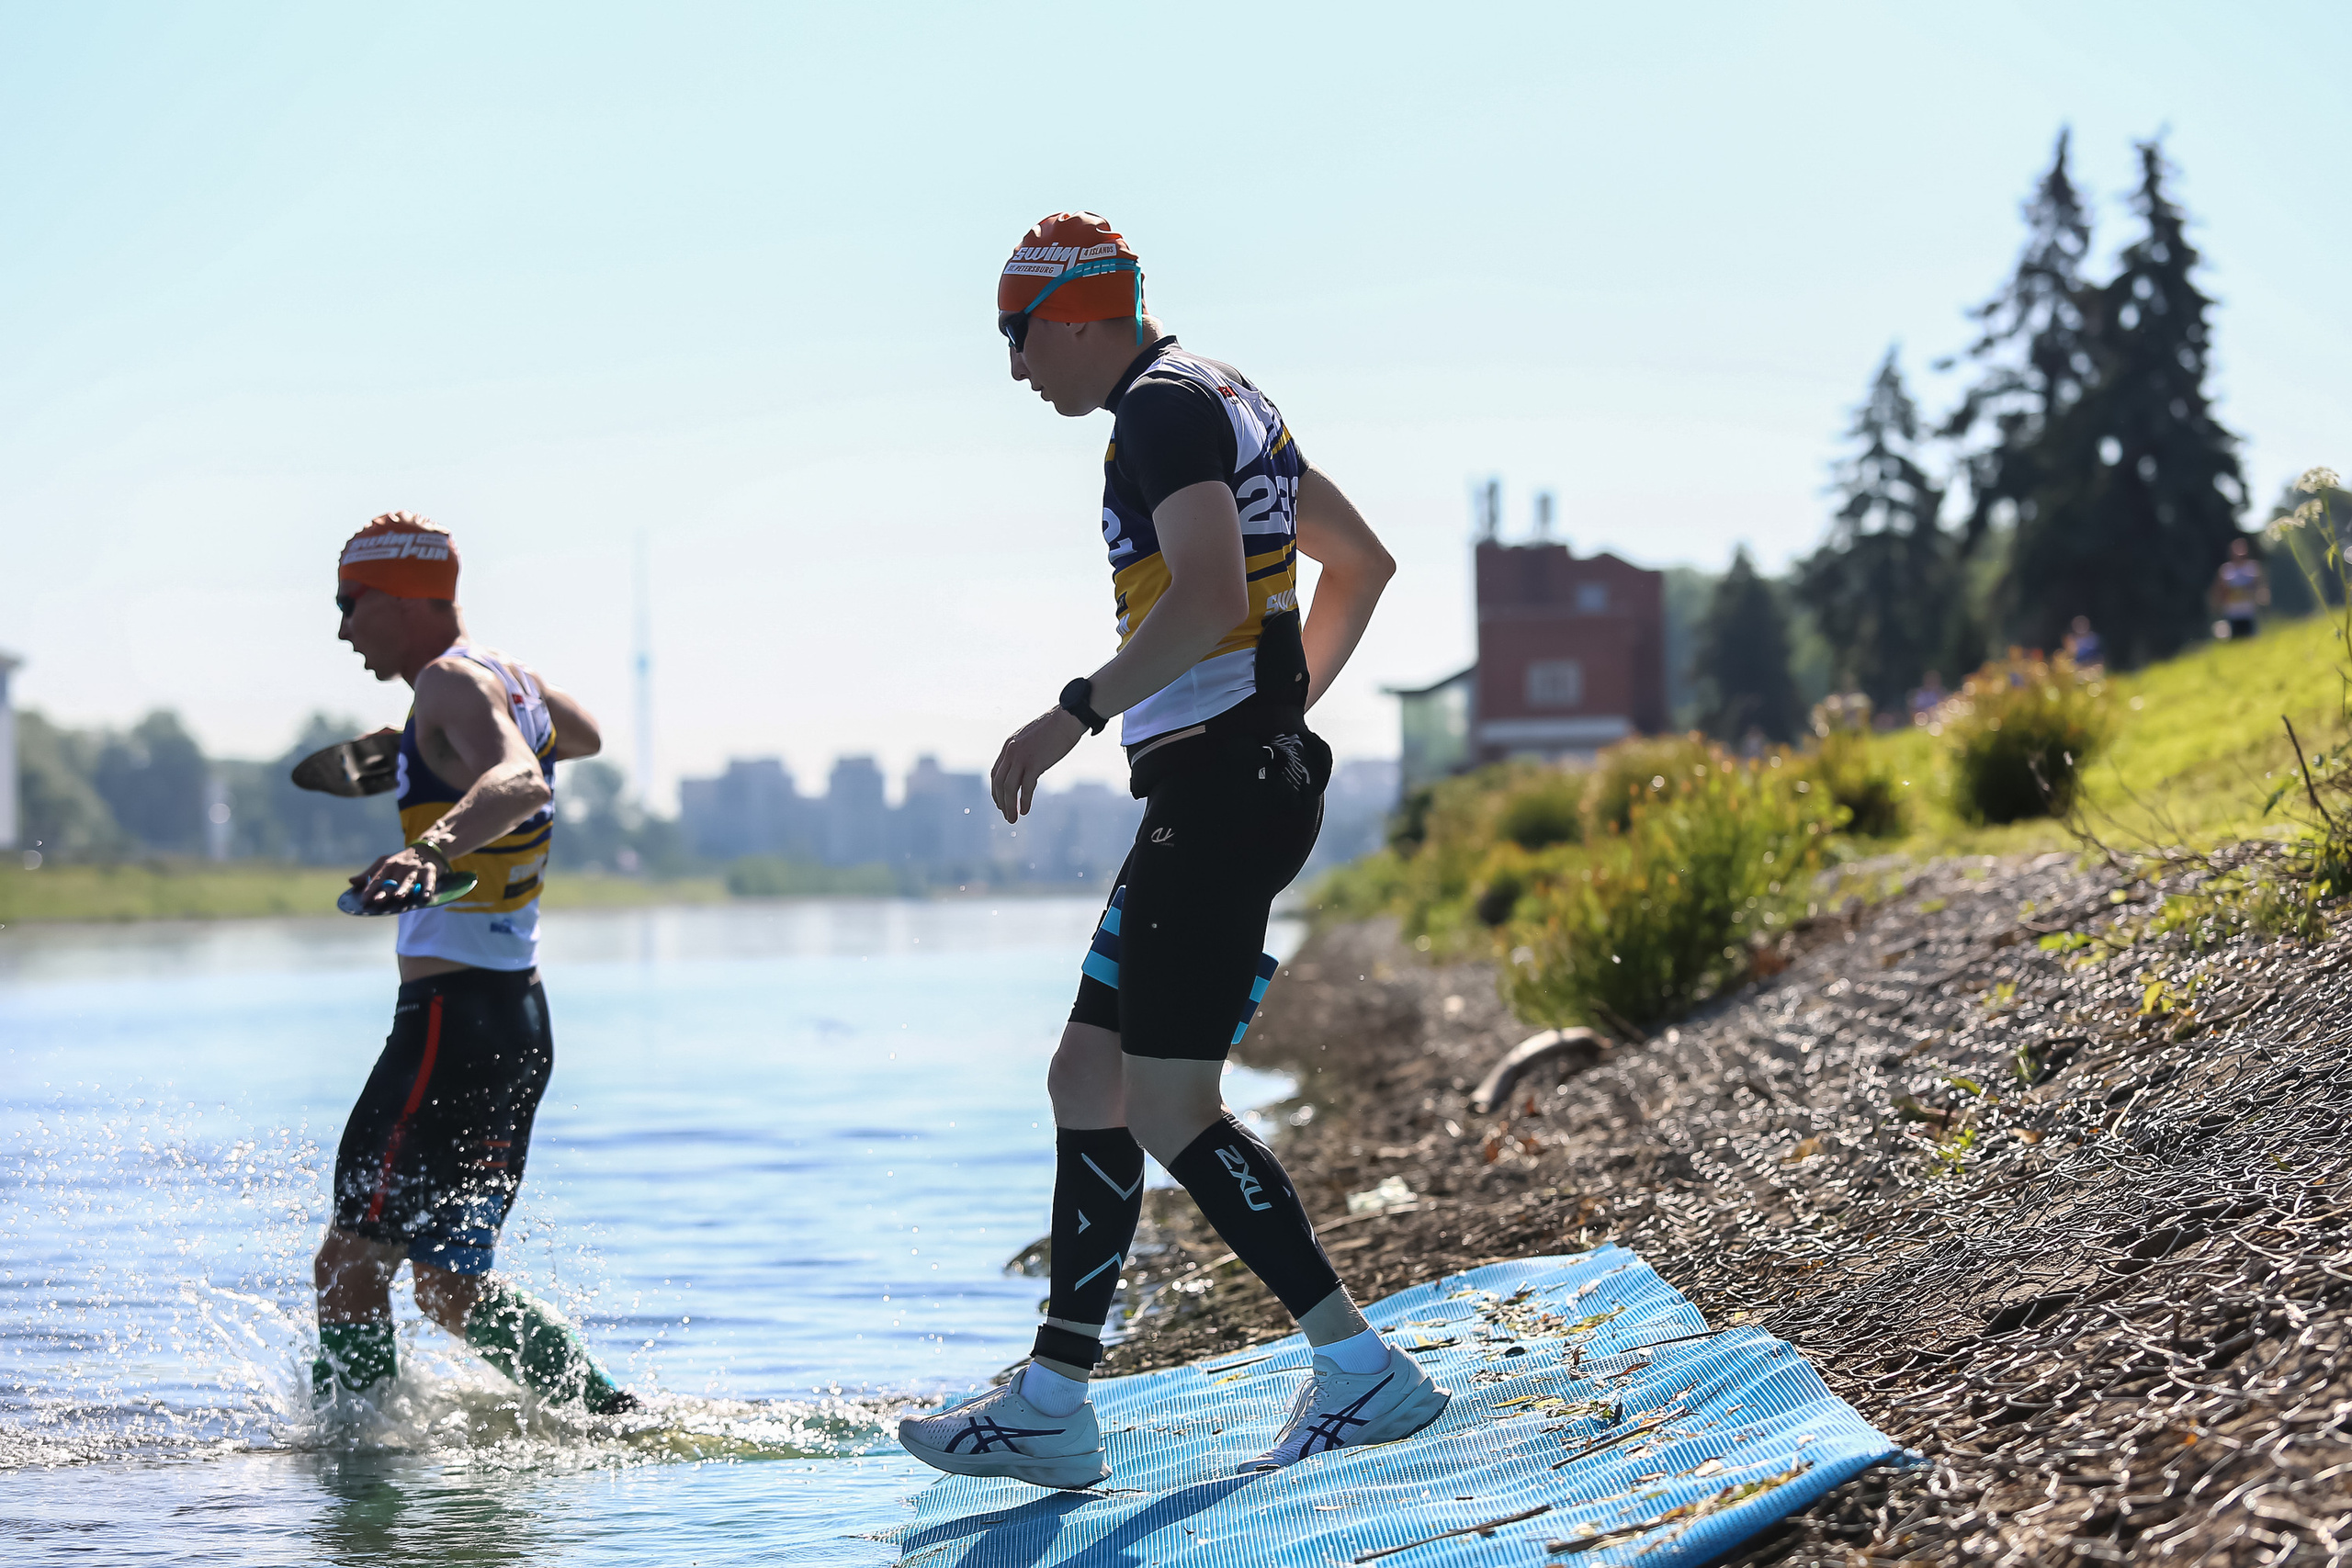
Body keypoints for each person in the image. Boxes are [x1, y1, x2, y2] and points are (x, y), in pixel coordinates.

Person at [897, 213, 1442, 1489]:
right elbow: (1361, 566)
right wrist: (1278, 703)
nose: (1016, 366)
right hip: (1223, 783)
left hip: (1218, 792)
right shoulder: (1224, 397)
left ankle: (1360, 1368)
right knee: (1087, 1075)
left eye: (1017, 333)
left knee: (1169, 1101)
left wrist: (1074, 709)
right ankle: (1051, 1403)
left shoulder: (1158, 409)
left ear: (1083, 312)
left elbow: (1203, 591)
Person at [311, 512, 636, 1416]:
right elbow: (578, 735)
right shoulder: (501, 681)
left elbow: (522, 780)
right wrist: (421, 750)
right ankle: (606, 1415)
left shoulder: (451, 681)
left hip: (451, 1022)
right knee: (445, 1291)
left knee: (347, 1269)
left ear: (403, 597)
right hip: (514, 1022)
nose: (342, 629)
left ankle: (353, 1474)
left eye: (350, 603)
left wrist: (433, 846)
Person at [2213, 538, 2267, 640]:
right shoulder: (2226, 570)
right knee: (2235, 641)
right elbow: (2219, 590)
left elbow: (2260, 586)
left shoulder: (2253, 568)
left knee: (2251, 640)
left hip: (2249, 611)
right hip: (2232, 612)